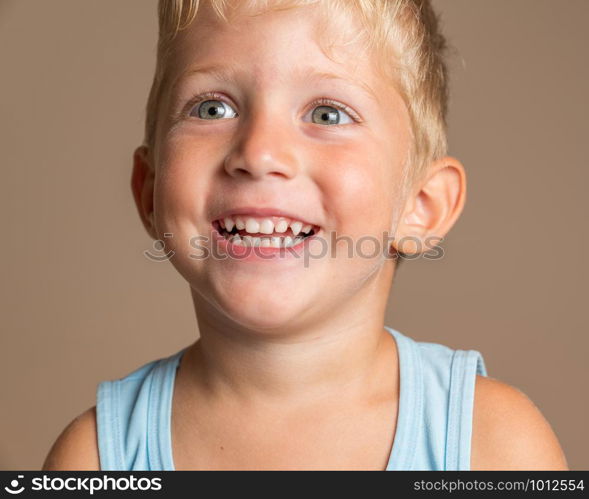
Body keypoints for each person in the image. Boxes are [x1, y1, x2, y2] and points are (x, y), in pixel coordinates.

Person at [42, 0, 568, 470]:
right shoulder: (96, 459)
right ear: (149, 191)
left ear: (421, 206)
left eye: (327, 113)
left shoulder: (493, 444)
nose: (259, 153)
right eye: (212, 108)